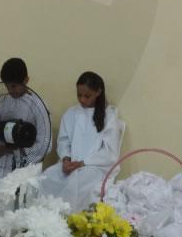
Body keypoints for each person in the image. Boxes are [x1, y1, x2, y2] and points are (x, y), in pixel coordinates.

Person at [41, 71, 124, 211]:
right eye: (79, 95)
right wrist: (66, 159)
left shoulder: (108, 117)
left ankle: (70, 220)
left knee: (76, 181)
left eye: (87, 96)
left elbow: (110, 153)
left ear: (98, 92)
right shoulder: (71, 113)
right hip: (71, 164)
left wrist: (83, 163)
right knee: (47, 177)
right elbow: (64, 141)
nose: (82, 100)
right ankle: (47, 220)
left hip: (95, 167)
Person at [0, 58, 51, 196]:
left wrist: (18, 153)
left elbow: (45, 143)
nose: (10, 90)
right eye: (7, 86)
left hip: (25, 161)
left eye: (14, 86)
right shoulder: (1, 103)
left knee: (20, 184)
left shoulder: (38, 106)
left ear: (26, 80)